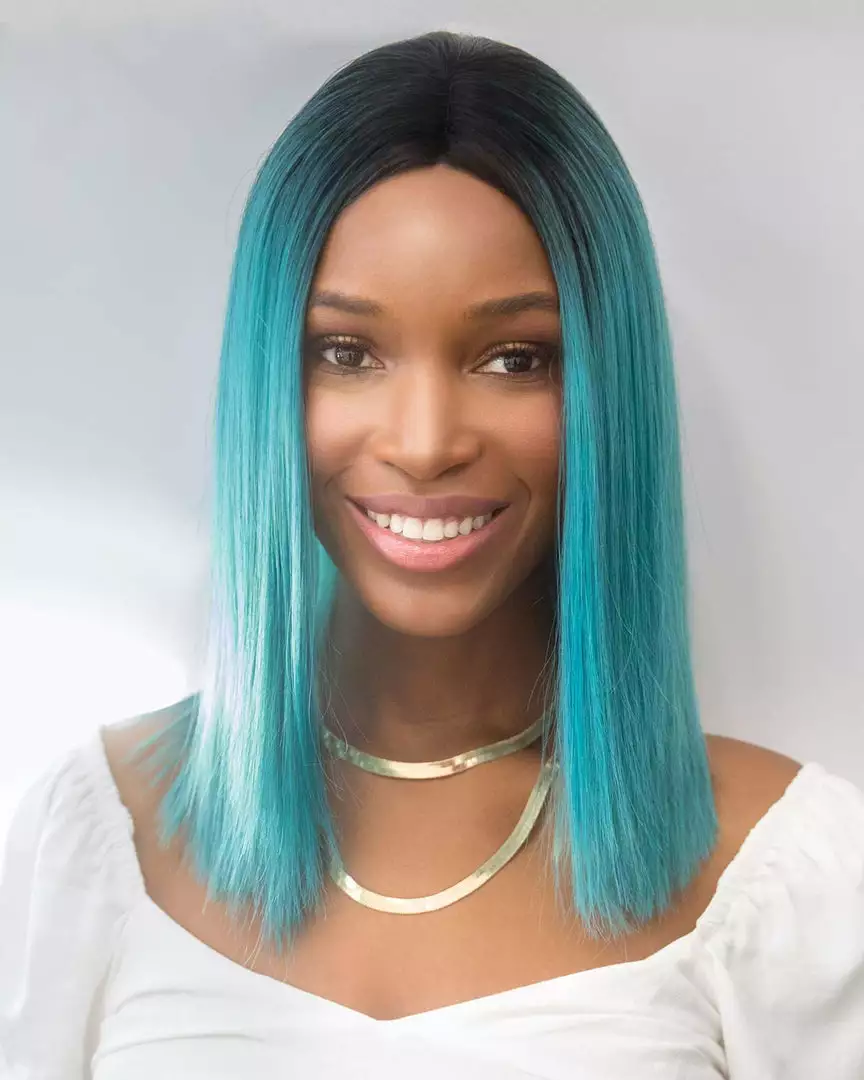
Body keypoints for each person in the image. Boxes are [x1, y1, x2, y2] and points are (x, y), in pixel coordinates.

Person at [1, 29, 862, 1079]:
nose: (423, 443)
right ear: (271, 378)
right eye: (347, 352)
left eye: (514, 359)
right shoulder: (95, 844)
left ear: (605, 387)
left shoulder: (785, 879)